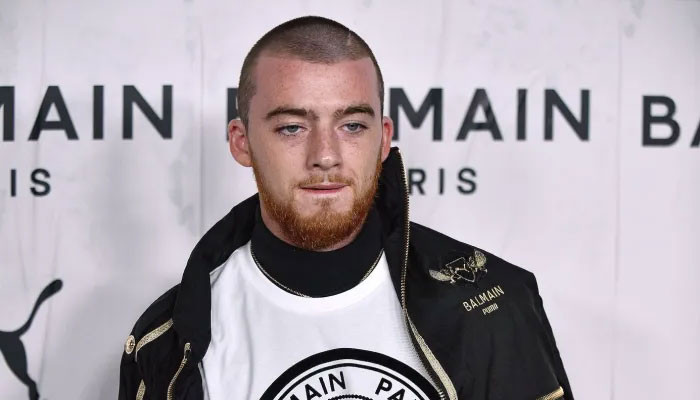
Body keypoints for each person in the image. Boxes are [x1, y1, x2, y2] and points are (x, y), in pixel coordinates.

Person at [118, 16, 573, 400]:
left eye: (352, 125)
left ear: (384, 139)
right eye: (292, 127)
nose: (326, 155)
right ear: (242, 142)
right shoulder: (168, 344)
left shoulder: (492, 305)